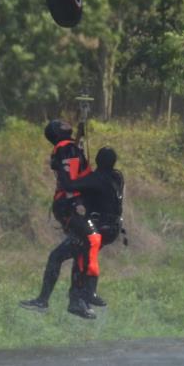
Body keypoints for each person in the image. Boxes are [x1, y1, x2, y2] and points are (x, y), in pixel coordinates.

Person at [19, 119, 97, 318]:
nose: (65, 122)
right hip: (70, 207)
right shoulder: (65, 148)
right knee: (82, 247)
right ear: (57, 132)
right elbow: (68, 178)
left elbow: (74, 163)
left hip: (68, 206)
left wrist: (79, 136)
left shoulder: (67, 147)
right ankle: (74, 300)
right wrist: (77, 201)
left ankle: (58, 300)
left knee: (74, 250)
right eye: (61, 124)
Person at [58, 146, 125, 310]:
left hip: (99, 227)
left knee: (76, 256)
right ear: (113, 163)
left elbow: (69, 185)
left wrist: (62, 165)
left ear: (97, 161)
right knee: (85, 256)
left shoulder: (96, 179)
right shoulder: (117, 177)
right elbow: (91, 182)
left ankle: (81, 297)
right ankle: (86, 295)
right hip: (112, 228)